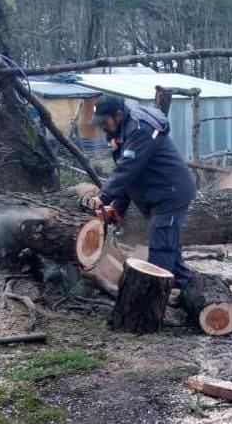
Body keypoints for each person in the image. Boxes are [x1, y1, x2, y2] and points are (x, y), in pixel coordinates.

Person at [84, 94, 196, 289]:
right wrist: (117, 207)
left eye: (104, 121)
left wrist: (102, 197)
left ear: (118, 115)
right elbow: (130, 177)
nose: (102, 127)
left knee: (160, 249)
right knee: (169, 248)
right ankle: (191, 289)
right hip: (157, 194)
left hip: (170, 194)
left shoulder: (139, 129)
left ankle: (152, 302)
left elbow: (127, 169)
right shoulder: (120, 133)